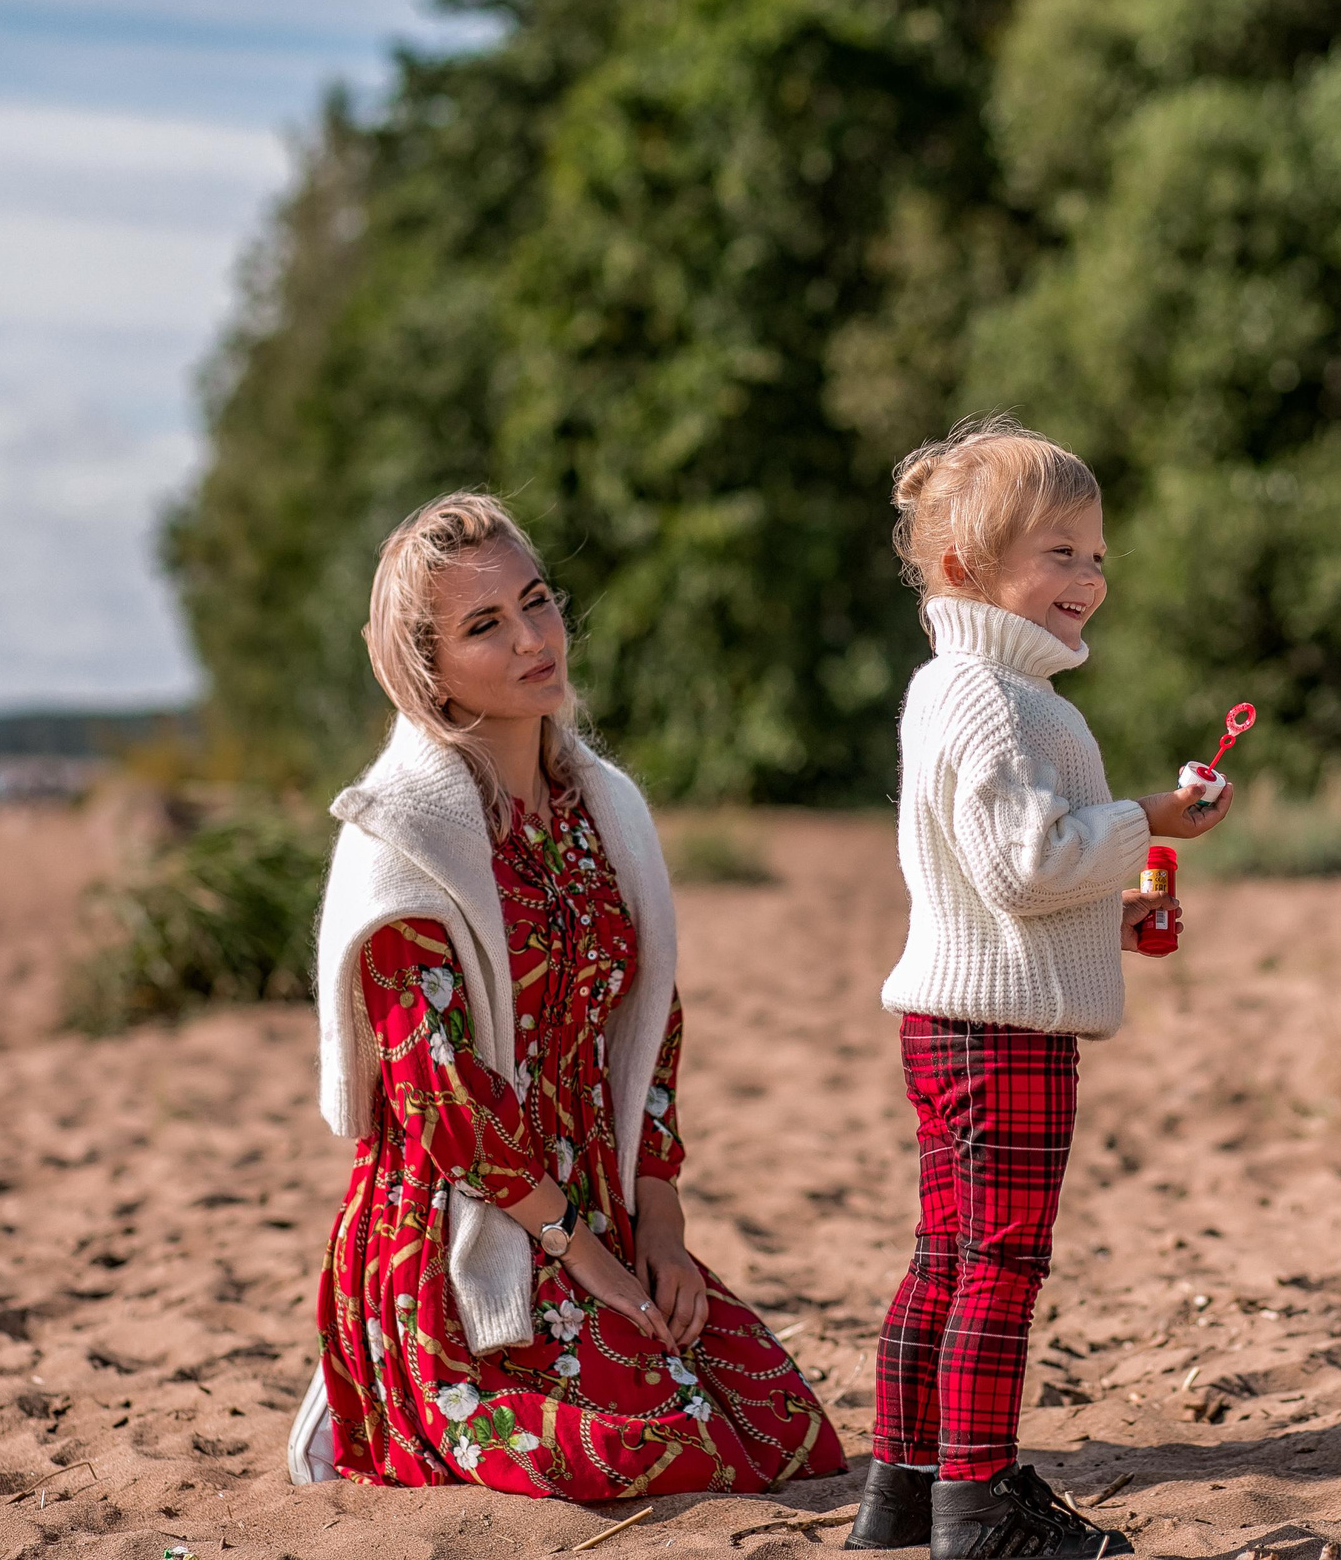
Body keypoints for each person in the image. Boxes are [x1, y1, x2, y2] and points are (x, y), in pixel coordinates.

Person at [287, 491, 844, 1499]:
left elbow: (650, 1027)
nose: (533, 638)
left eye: (536, 601)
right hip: (472, 1226)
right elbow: (438, 1095)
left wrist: (660, 1230)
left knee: (789, 1435)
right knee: (661, 1458)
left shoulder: (602, 807)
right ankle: (365, 1403)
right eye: (484, 624)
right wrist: (580, 1253)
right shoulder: (400, 838)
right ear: (428, 668)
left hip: (604, 1201)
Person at [849, 418, 1233, 1559]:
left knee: (946, 1254)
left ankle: (904, 1491)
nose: (1088, 578)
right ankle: (975, 1504)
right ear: (965, 569)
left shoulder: (967, 690)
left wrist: (1113, 909)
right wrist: (1149, 822)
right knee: (1000, 1262)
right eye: (1058, 553)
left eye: (1097, 553)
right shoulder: (995, 699)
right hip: (998, 1035)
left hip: (960, 1016)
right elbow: (1026, 865)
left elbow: (994, 877)